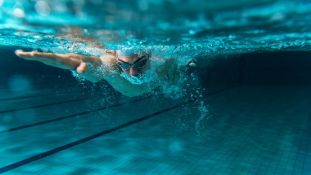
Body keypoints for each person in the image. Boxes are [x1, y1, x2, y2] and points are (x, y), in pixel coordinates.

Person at [15, 47, 180, 97]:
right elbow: (84, 59)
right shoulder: (109, 62)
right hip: (131, 91)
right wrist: (65, 62)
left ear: (149, 56)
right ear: (115, 57)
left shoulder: (163, 62)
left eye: (141, 63)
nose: (132, 73)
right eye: (123, 65)